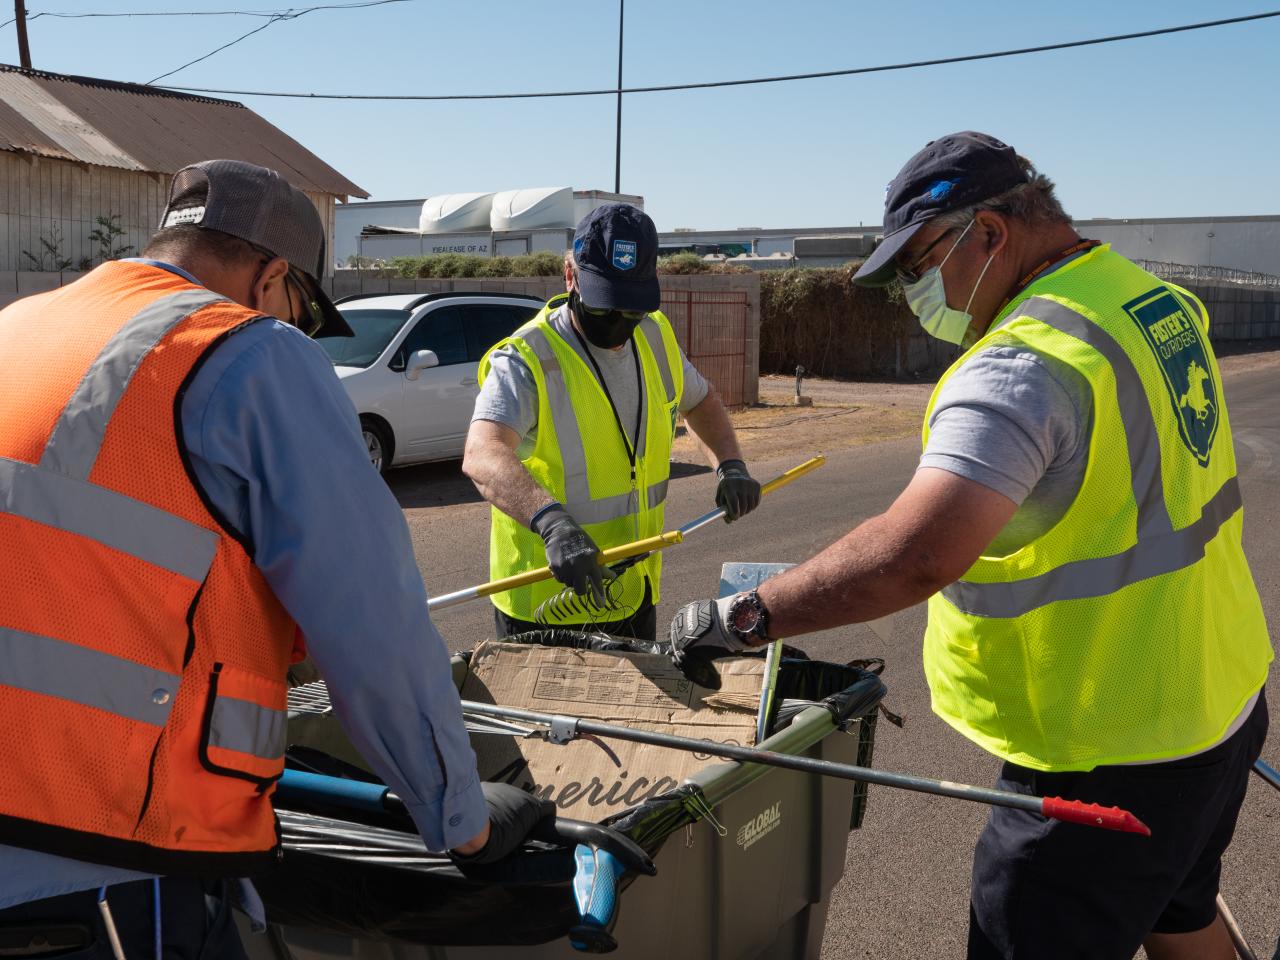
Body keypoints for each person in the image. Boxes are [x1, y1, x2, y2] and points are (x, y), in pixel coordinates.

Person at [669, 132, 1272, 960]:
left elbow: (915, 553)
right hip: (1215, 699)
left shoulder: (1021, 366)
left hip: (1101, 744)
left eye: (919, 265)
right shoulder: (1143, 298)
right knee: (1179, 914)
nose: (917, 293)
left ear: (989, 233)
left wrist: (744, 617)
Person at [0, 160, 551, 957]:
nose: (296, 330)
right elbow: (373, 627)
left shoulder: (23, 325)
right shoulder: (249, 355)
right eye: (301, 311)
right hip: (103, 858)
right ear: (271, 279)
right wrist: (462, 821)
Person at [464, 203, 760, 641]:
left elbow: (700, 402)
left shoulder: (655, 336)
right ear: (571, 277)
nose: (621, 326)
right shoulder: (528, 358)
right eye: (605, 310)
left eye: (631, 310)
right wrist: (552, 524)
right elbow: (482, 453)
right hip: (545, 608)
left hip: (632, 595)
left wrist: (730, 464)